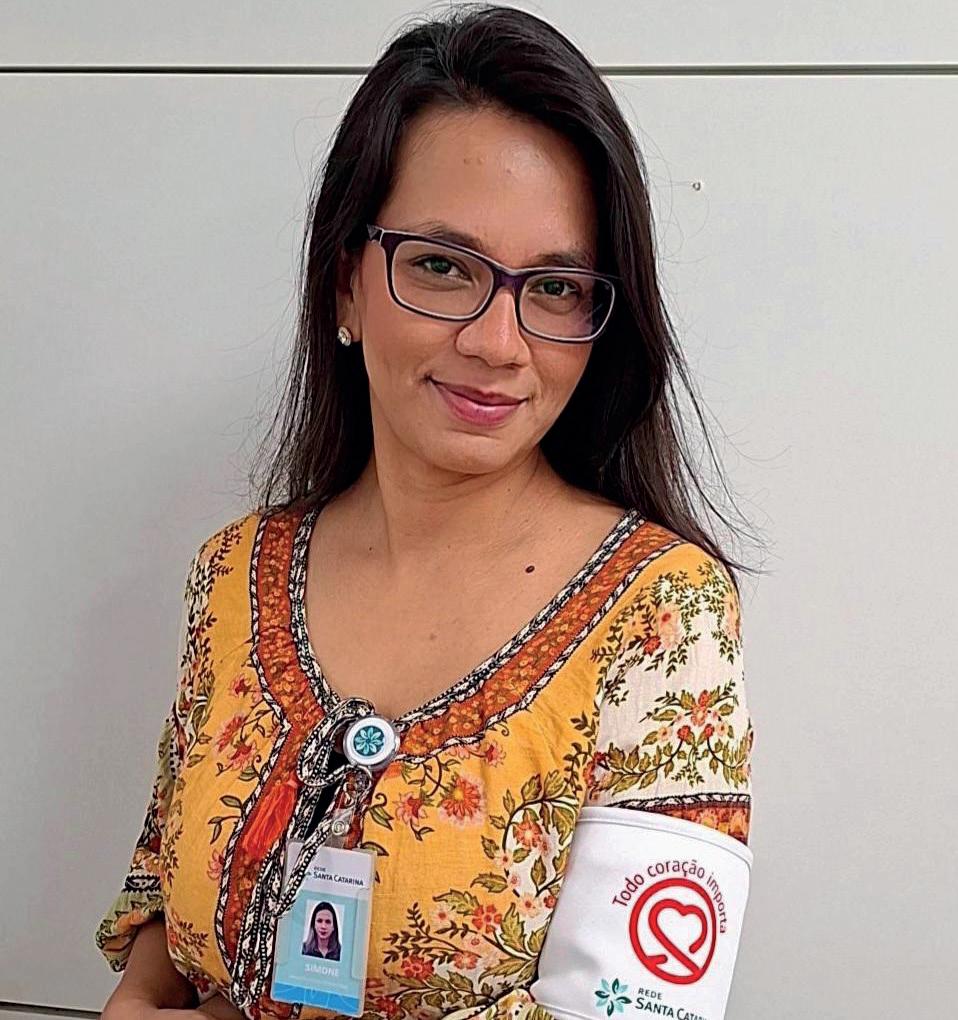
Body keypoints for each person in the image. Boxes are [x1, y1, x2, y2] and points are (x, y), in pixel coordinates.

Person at [96, 6, 761, 1020]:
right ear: (345, 286)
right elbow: (160, 902)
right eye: (442, 266)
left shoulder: (662, 614)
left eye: (555, 287)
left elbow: (628, 1010)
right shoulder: (234, 574)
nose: (498, 343)